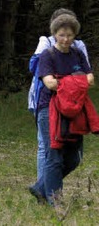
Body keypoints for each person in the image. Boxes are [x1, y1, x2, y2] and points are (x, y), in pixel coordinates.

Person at [29, 14, 94, 205]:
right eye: (62, 35)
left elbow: (90, 80)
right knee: (54, 156)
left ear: (75, 35)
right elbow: (50, 83)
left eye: (70, 35)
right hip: (48, 109)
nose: (66, 39)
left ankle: (40, 188)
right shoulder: (47, 55)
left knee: (75, 157)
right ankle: (55, 202)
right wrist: (76, 81)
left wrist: (65, 81)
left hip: (74, 108)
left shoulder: (78, 54)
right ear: (55, 34)